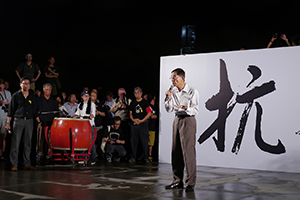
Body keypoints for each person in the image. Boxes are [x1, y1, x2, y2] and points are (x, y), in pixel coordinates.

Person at [164, 68, 199, 192]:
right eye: (171, 78)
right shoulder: (173, 91)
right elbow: (168, 109)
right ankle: (177, 181)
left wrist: (186, 108)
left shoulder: (191, 91)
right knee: (175, 151)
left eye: (174, 78)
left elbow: (195, 109)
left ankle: (190, 182)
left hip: (188, 120)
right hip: (177, 119)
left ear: (182, 78)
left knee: (188, 152)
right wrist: (168, 98)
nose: (172, 80)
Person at [5, 77, 42, 171]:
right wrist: (8, 122)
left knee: (28, 143)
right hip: (18, 120)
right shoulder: (16, 95)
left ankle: (27, 163)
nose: (27, 85)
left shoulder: (32, 96)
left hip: (29, 121)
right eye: (25, 83)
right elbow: (11, 111)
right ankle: (14, 164)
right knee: (15, 143)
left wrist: (39, 122)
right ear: (20, 84)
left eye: (28, 83)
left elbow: (35, 111)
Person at [128, 87, 152, 163]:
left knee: (144, 141)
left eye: (138, 92)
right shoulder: (133, 103)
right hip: (134, 124)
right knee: (133, 141)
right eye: (135, 93)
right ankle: (133, 157)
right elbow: (130, 114)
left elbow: (149, 113)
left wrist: (142, 121)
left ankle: (145, 157)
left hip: (143, 124)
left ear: (141, 93)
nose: (137, 94)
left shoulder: (145, 102)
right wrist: (134, 120)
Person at [73, 90, 97, 165]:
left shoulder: (92, 104)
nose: (86, 97)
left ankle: (93, 158)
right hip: (82, 127)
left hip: (90, 126)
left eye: (87, 96)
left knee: (91, 143)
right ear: (82, 97)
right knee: (82, 142)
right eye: (85, 96)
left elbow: (93, 114)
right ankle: (82, 157)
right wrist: (72, 116)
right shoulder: (80, 105)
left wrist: (89, 117)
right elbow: (76, 114)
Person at [36, 83, 58, 162]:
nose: (48, 91)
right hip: (41, 123)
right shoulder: (39, 100)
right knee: (40, 140)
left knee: (49, 140)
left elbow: (56, 111)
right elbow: (36, 112)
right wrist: (38, 122)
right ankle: (40, 154)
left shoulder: (53, 100)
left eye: (49, 90)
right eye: (46, 89)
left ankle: (49, 155)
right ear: (43, 90)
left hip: (51, 124)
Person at [0, 79, 11, 160]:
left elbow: (11, 103)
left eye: (2, 85)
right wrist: (1, 103)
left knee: (4, 136)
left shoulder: (8, 93)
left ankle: (3, 153)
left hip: (5, 116)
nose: (1, 86)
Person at [147, 94, 158, 163]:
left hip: (153, 127)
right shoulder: (148, 106)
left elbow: (155, 116)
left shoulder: (155, 107)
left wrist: (154, 116)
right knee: (148, 142)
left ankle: (150, 155)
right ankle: (147, 155)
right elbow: (150, 116)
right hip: (148, 126)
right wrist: (153, 116)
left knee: (151, 142)